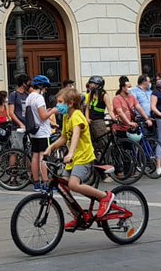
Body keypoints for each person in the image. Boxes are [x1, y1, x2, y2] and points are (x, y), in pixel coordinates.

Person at [45, 87, 115, 230]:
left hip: (83, 157)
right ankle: (78, 217)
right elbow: (64, 137)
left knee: (73, 184)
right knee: (63, 187)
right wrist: (51, 148)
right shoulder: (66, 117)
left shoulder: (77, 115)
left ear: (70, 103)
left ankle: (104, 197)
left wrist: (70, 154)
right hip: (74, 159)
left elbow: (76, 135)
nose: (57, 105)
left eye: (60, 102)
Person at [25, 75, 56, 190]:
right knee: (43, 157)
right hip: (42, 131)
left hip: (33, 131)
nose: (45, 90)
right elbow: (43, 116)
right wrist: (52, 110)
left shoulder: (29, 97)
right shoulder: (39, 98)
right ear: (41, 86)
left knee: (35, 156)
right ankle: (46, 182)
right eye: (45, 88)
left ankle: (36, 183)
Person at [8, 75, 31, 149]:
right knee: (16, 149)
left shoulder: (27, 95)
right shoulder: (14, 95)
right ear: (23, 83)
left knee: (26, 150)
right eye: (28, 83)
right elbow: (11, 112)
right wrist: (20, 123)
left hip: (27, 126)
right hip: (17, 127)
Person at [85, 75, 108, 143]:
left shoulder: (104, 95)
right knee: (92, 142)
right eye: (90, 83)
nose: (91, 85)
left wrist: (114, 118)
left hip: (99, 121)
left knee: (103, 141)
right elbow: (87, 108)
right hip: (90, 121)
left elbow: (110, 109)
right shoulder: (90, 94)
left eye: (93, 83)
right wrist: (87, 118)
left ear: (99, 85)